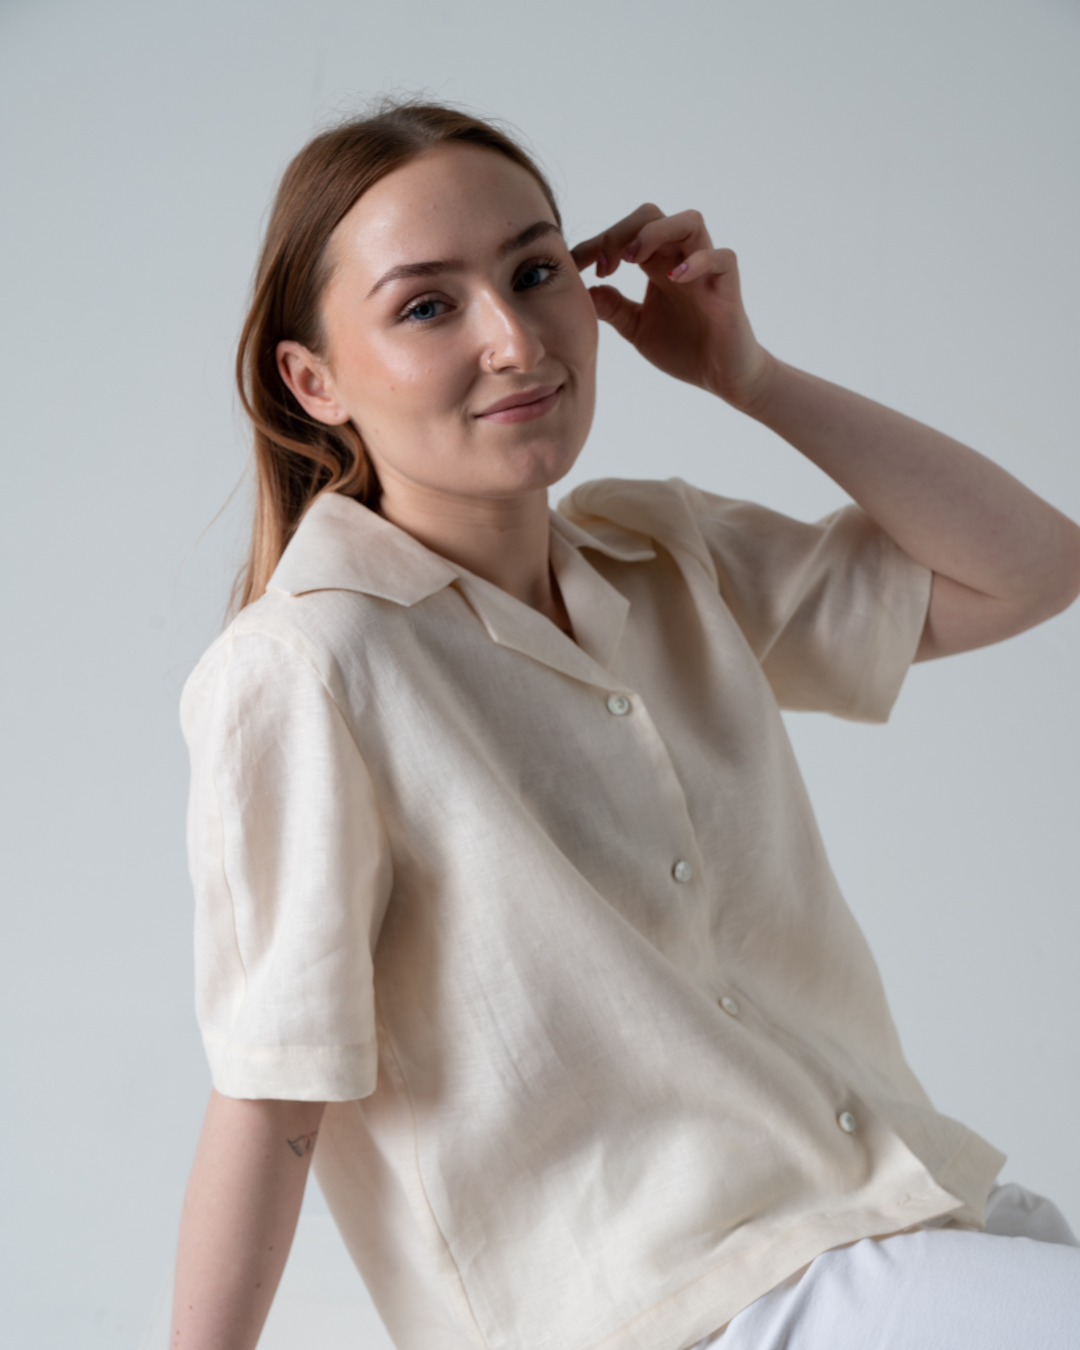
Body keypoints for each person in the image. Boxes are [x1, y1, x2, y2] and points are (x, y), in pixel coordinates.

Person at [171, 100, 1080, 1350]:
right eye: (428, 305)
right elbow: (272, 1089)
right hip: (674, 1312)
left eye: (536, 272)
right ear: (311, 380)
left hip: (891, 1228)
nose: (514, 338)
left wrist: (747, 377)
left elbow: (1031, 571)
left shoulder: (662, 556)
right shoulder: (308, 666)